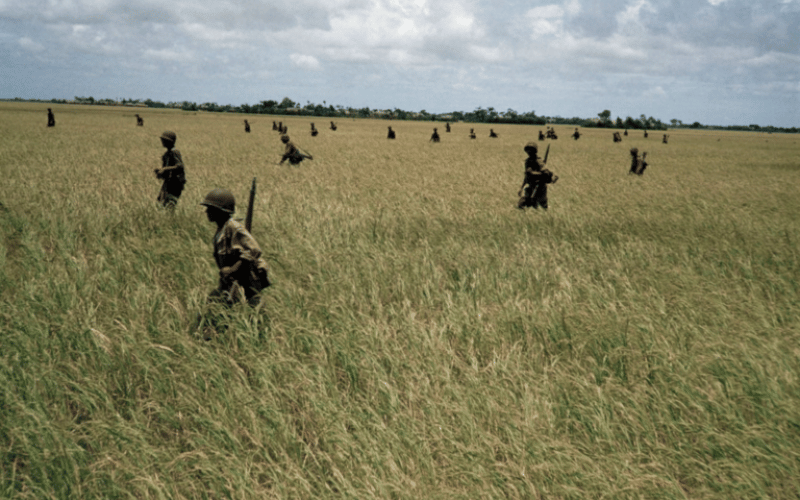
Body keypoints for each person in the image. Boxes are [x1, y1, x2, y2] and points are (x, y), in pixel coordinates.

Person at [200, 188, 270, 308]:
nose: (206, 211)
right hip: (230, 282)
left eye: (210, 208)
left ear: (220, 211)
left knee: (251, 312)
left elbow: (254, 250)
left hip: (244, 282)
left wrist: (232, 269)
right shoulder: (221, 229)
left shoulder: (234, 227)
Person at [518, 142, 557, 210]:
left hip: (540, 186)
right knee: (523, 204)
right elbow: (527, 176)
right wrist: (521, 187)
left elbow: (546, 173)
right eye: (528, 150)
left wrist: (533, 173)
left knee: (541, 205)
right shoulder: (528, 161)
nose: (529, 152)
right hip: (531, 186)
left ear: (534, 151)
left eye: (531, 150)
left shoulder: (538, 161)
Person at [154, 131, 186, 208]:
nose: (162, 142)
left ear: (169, 141)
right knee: (160, 202)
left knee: (170, 203)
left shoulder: (174, 152)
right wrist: (160, 172)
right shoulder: (166, 154)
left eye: (164, 140)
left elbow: (180, 166)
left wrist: (165, 169)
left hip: (175, 183)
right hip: (169, 182)